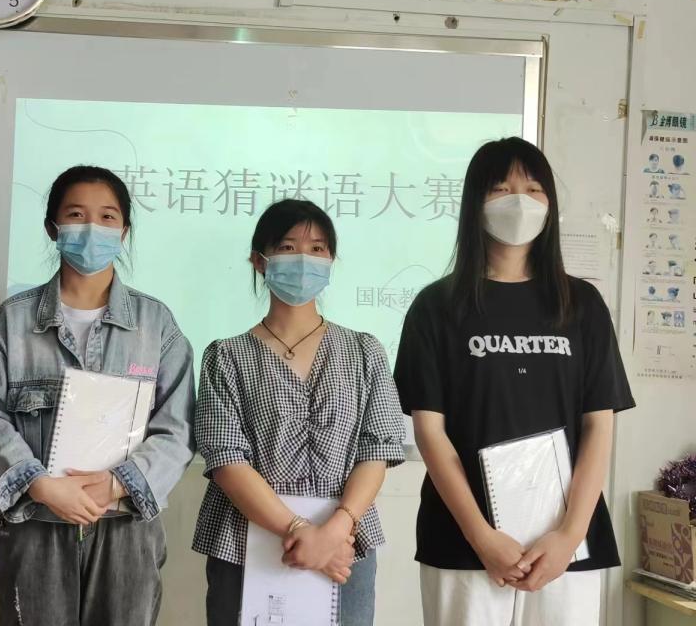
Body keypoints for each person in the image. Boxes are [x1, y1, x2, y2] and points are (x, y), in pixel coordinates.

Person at [393, 137, 634, 626]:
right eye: (501, 189)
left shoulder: (582, 305)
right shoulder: (436, 307)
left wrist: (568, 535)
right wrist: (482, 536)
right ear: (474, 203)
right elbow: (430, 433)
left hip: (565, 543)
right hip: (464, 539)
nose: (519, 201)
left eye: (534, 189)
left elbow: (598, 427)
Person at [0, 165, 195, 626]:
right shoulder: (11, 321)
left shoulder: (157, 325)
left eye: (108, 217)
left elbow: (177, 429)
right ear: (52, 227)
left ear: (124, 231)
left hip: (126, 527)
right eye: (76, 215)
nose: (93, 228)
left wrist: (117, 483)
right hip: (35, 522)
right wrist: (40, 484)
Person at [193, 199, 405, 626]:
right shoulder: (225, 356)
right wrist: (297, 530)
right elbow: (226, 459)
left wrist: (333, 533)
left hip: (345, 545)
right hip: (246, 540)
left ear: (331, 260)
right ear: (259, 260)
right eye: (288, 247)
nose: (304, 259)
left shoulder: (364, 351)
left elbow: (377, 450)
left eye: (318, 248)